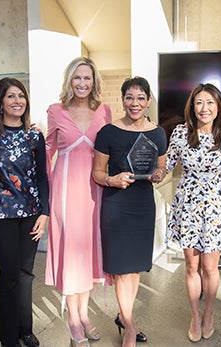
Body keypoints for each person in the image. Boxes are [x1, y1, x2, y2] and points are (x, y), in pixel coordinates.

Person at [92, 76, 167, 347]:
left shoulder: (158, 133)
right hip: (116, 205)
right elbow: (97, 172)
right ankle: (131, 327)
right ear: (123, 100)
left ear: (148, 101)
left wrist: (158, 174)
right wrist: (112, 180)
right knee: (121, 271)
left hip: (143, 205)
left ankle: (125, 318)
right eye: (129, 97)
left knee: (134, 270)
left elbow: (161, 167)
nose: (134, 103)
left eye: (140, 98)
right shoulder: (108, 132)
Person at [45, 57, 111, 347]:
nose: (83, 83)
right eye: (77, 78)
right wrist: (46, 193)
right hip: (66, 192)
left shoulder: (104, 111)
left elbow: (110, 151)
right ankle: (73, 320)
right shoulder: (55, 111)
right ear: (69, 80)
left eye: (87, 78)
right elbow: (45, 153)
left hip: (94, 191)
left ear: (94, 81)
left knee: (88, 255)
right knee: (72, 256)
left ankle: (84, 315)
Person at [166, 83, 221, 343]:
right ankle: (195, 315)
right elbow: (166, 165)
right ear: (192, 107)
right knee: (191, 266)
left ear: (218, 106)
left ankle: (209, 313)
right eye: (199, 102)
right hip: (188, 206)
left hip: (216, 208)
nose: (204, 108)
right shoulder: (180, 133)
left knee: (210, 267)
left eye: (210, 102)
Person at [0, 77, 49, 347]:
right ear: (0, 102)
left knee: (25, 274)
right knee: (9, 275)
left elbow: (42, 177)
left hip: (31, 214)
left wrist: (44, 212)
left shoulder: (34, 136)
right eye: (11, 96)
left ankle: (25, 330)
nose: (17, 100)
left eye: (21, 95)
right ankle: (7, 338)